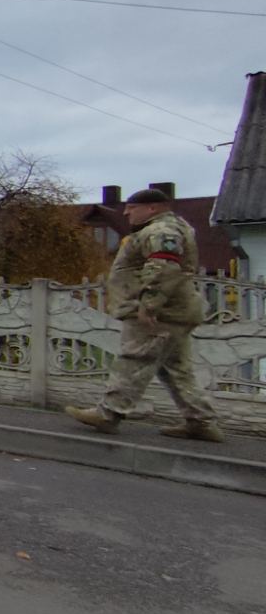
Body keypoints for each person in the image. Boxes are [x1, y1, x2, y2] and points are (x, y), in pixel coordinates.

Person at [65, 188, 223, 442]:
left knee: (134, 360)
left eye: (132, 208)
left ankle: (108, 414)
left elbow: (164, 267)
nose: (126, 213)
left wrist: (149, 304)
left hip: (159, 313)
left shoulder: (160, 231)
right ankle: (200, 421)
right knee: (176, 370)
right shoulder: (171, 227)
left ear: (152, 208)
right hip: (174, 311)